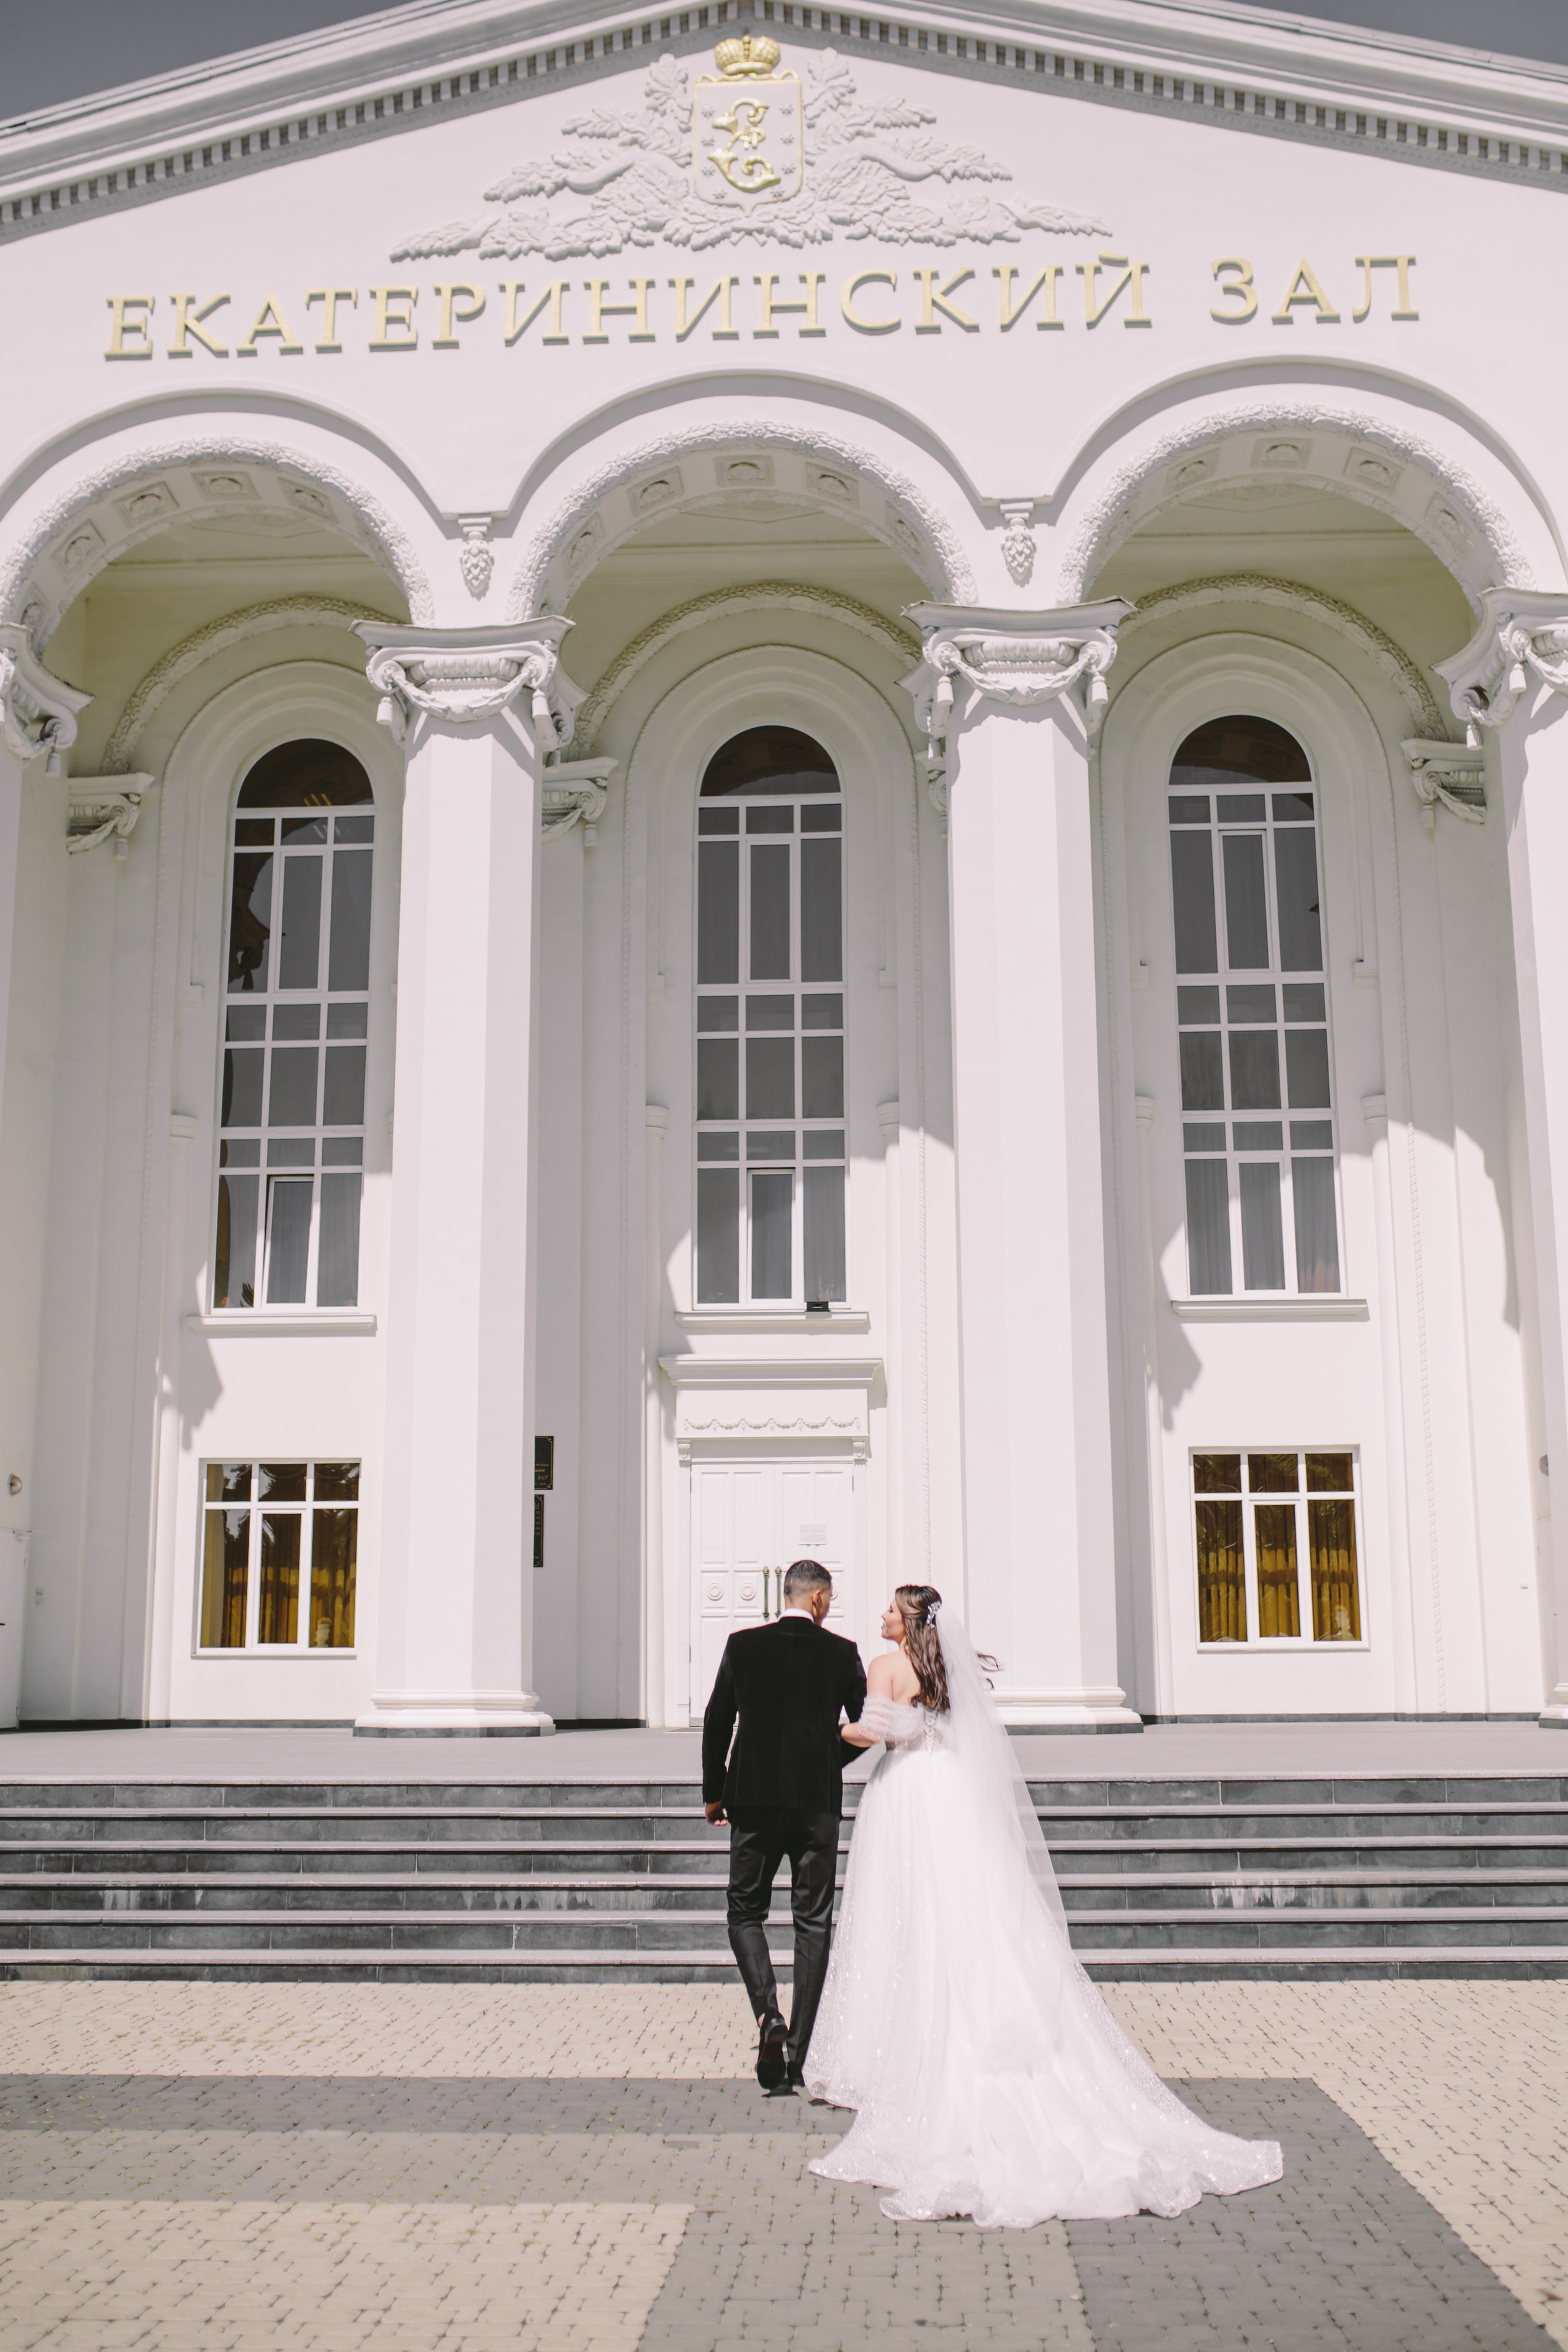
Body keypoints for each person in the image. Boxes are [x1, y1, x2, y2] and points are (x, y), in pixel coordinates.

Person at [805, 1584, 1284, 2228]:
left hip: (908, 1796)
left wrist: (824, 1730)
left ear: (910, 1619)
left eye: (891, 1608)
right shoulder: (952, 1665)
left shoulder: (886, 1666)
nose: (881, 1616)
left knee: (907, 1916)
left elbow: (872, 1732)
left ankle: (905, 2051)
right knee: (967, 1907)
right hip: (952, 1795)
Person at [701, 1558, 867, 2093]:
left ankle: (767, 2014)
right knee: (813, 1921)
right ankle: (798, 2054)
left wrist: (714, 1791)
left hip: (751, 1800)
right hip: (815, 1804)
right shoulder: (842, 1653)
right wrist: (824, 1759)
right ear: (819, 1599)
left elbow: (717, 1719)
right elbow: (863, 1727)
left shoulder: (742, 1646)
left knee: (744, 1910)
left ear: (789, 1594)